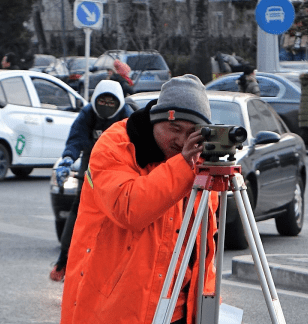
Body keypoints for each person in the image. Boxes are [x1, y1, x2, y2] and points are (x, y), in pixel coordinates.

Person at [60, 74, 219, 324]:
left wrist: (207, 306)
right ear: (155, 120)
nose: (180, 140)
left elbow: (203, 246)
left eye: (191, 133)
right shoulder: (116, 145)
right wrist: (182, 165)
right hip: (117, 309)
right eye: (174, 129)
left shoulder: (197, 159)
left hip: (179, 307)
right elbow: (131, 209)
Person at [49, 79, 135, 281]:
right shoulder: (88, 114)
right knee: (79, 212)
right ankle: (63, 261)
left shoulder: (128, 118)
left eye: (110, 102)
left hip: (119, 169)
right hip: (92, 167)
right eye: (102, 101)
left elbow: (137, 147)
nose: (105, 106)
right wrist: (68, 159)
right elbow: (76, 138)